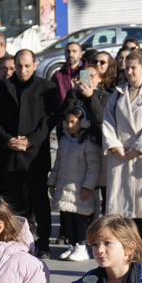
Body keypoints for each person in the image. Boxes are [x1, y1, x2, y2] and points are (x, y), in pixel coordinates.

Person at [0, 50, 56, 256]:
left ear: (35, 65)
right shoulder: (2, 88)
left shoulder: (46, 88)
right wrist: (8, 139)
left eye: (27, 66)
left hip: (35, 155)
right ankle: (16, 239)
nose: (23, 70)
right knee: (14, 201)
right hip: (10, 154)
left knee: (39, 199)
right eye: (19, 66)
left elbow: (49, 119)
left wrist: (31, 140)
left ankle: (44, 241)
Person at [102, 48, 142, 257]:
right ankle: (121, 251)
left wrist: (138, 148)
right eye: (126, 68)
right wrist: (114, 144)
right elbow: (108, 120)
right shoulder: (118, 94)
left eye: (133, 68)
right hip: (119, 156)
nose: (129, 72)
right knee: (120, 206)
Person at [50, 103, 102, 262]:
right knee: (67, 218)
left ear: (83, 122)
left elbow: (94, 167)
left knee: (80, 220)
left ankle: (81, 246)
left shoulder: (88, 143)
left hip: (80, 190)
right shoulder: (65, 141)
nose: (69, 125)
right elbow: (58, 163)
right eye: (67, 121)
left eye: (73, 121)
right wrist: (52, 181)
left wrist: (88, 186)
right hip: (64, 188)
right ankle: (72, 245)